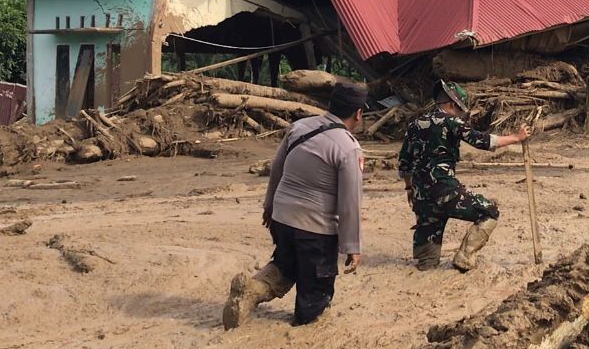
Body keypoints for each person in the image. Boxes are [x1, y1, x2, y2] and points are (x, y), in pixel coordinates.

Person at [221, 82, 367, 329]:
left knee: (285, 266)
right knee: (314, 301)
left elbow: (277, 169)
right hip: (315, 229)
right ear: (358, 113)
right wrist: (352, 246)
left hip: (282, 218)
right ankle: (306, 324)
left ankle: (251, 290)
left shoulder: (299, 127)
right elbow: (350, 201)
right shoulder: (348, 147)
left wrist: (269, 207)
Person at [397, 80, 530, 272]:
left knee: (427, 264)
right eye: (460, 109)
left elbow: (404, 163)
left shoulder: (415, 125)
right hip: (445, 190)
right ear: (453, 104)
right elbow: (482, 141)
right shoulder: (451, 122)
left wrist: (410, 189)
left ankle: (426, 263)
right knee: (489, 211)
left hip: (421, 197)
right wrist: (516, 137)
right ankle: (464, 258)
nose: (460, 114)